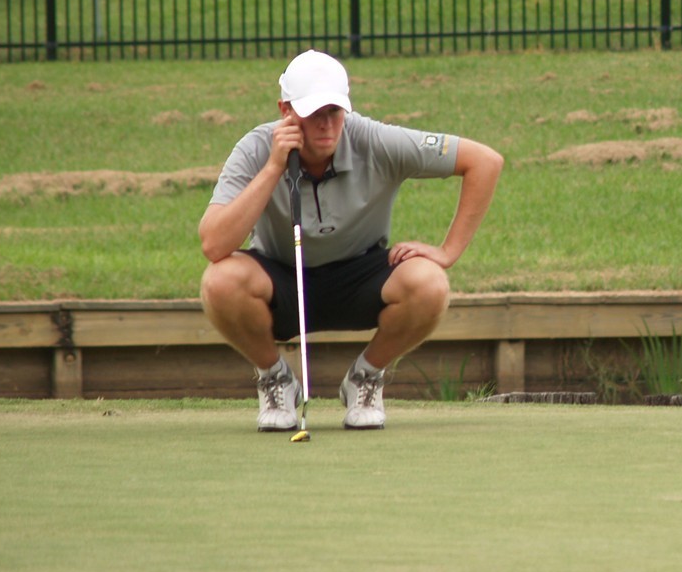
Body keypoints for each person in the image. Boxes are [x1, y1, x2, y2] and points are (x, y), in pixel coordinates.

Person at [198, 49, 503, 431]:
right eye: (313, 114)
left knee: (429, 283)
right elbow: (213, 244)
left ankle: (366, 377)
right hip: (281, 277)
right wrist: (274, 167)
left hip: (361, 275)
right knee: (219, 280)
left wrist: (448, 251)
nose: (326, 125)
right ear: (285, 110)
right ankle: (275, 379)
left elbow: (484, 161)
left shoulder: (373, 139)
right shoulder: (257, 147)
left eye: (334, 112)